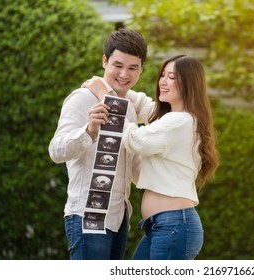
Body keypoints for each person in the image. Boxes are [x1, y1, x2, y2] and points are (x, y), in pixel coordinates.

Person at [84, 54, 220, 260]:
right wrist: (118, 88)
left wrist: (105, 94)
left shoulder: (179, 122)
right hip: (165, 226)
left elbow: (135, 139)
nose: (162, 81)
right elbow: (142, 104)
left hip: (173, 226)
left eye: (172, 77)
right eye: (162, 75)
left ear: (189, 83)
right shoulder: (176, 119)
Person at [48, 28, 148, 260]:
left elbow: (133, 168)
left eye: (133, 68)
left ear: (141, 69)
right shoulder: (82, 98)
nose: (124, 74)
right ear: (104, 61)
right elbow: (56, 150)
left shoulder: (130, 110)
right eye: (118, 65)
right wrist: (89, 130)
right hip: (87, 217)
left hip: (119, 219)